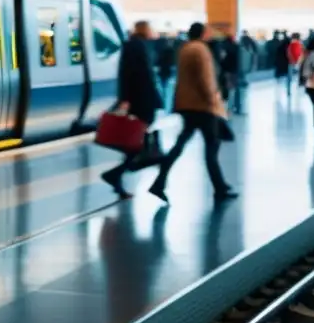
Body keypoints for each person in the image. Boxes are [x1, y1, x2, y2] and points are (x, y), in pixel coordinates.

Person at [148, 22, 236, 204]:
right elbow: (206, 79)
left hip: (187, 104)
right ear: (203, 33)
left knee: (181, 144)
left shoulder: (185, 48)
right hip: (203, 106)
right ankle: (220, 188)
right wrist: (215, 103)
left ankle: (160, 181)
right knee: (212, 147)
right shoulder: (201, 50)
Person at [101, 20, 163, 199]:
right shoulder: (137, 47)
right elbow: (132, 75)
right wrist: (126, 100)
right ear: (146, 29)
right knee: (136, 142)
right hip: (141, 100)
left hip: (141, 100)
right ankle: (117, 174)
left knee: (136, 142)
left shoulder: (135, 46)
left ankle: (118, 175)